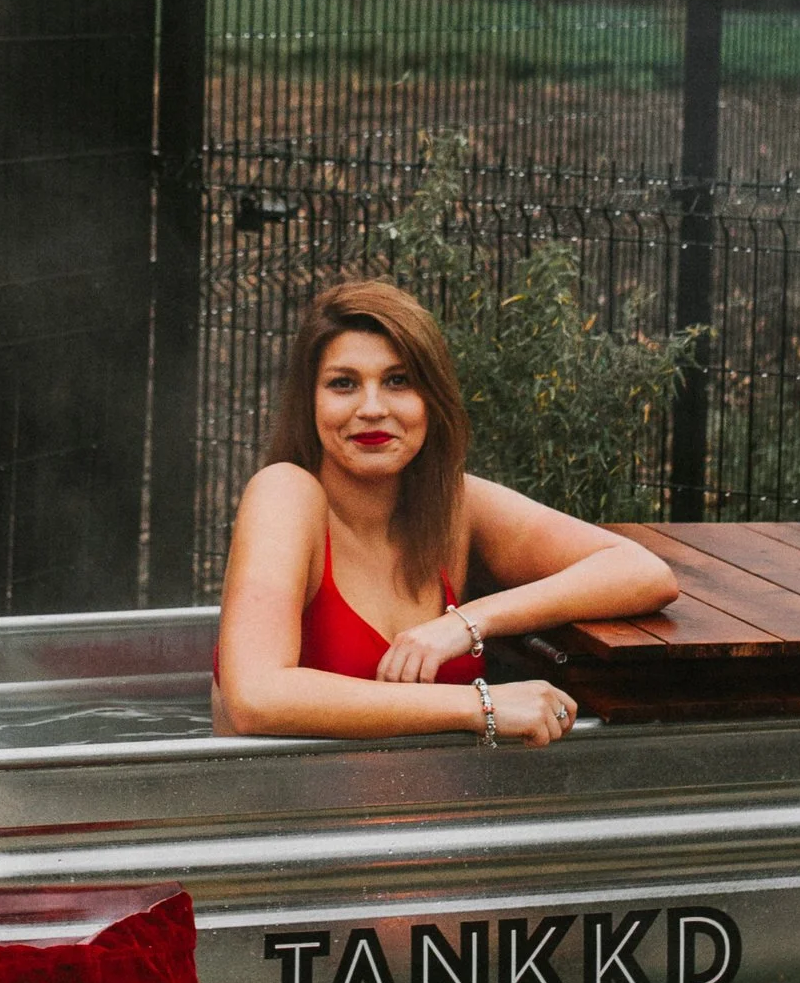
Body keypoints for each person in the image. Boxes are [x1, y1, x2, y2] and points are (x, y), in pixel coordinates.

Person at [213, 276, 680, 747]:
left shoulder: (454, 505)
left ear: (432, 399)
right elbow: (256, 696)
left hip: (441, 793)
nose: (372, 408)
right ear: (309, 402)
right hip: (291, 795)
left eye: (398, 381)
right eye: (343, 384)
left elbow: (642, 571)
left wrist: (468, 622)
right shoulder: (285, 493)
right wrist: (481, 705)